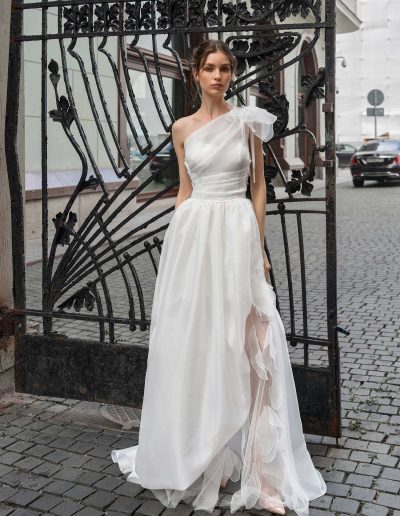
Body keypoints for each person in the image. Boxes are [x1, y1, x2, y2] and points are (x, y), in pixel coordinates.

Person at [111, 39, 327, 516]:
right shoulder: (181, 127)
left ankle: (264, 474)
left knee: (253, 346)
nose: (218, 75)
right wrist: (175, 252)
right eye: (209, 68)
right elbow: (184, 191)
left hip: (235, 234)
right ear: (195, 74)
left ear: (232, 74)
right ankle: (202, 450)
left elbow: (257, 188)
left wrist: (259, 248)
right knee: (197, 343)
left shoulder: (246, 123)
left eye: (225, 68)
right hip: (193, 238)